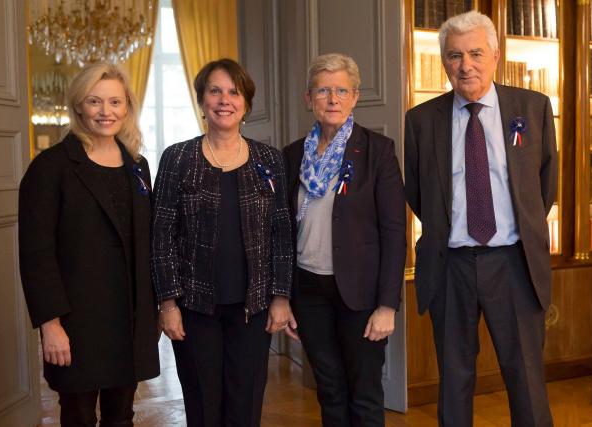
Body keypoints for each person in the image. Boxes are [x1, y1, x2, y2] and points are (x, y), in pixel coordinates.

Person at [404, 11, 558, 426]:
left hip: (514, 263)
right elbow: (418, 192)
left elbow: (545, 184)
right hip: (451, 265)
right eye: (454, 55)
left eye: (475, 53)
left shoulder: (533, 107)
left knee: (524, 376)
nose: (465, 64)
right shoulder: (420, 120)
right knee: (454, 378)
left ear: (495, 55)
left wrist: (519, 227)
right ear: (444, 63)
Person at [151, 58, 295, 427]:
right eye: (215, 90)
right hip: (195, 308)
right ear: (201, 100)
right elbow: (161, 234)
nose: (224, 99)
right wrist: (167, 303)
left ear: (246, 102)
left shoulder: (268, 159)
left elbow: (282, 231)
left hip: (254, 306)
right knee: (203, 407)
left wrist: (281, 297)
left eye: (234, 92)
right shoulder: (177, 158)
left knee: (245, 407)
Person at [19, 62, 159, 426]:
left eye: (115, 102)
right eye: (94, 101)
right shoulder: (50, 167)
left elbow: (146, 242)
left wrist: (154, 310)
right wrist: (50, 325)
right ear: (78, 105)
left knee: (121, 417)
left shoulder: (137, 166)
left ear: (127, 106)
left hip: (127, 320)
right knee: (78, 416)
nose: (105, 111)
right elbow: (36, 253)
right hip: (76, 323)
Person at [283, 53, 406, 426]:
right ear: (309, 99)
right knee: (330, 391)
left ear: (355, 97)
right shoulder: (291, 156)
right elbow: (281, 232)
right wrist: (284, 296)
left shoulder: (377, 151)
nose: (332, 99)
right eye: (323, 90)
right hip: (309, 292)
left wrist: (387, 305)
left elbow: (394, 230)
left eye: (341, 90)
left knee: (365, 394)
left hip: (362, 296)